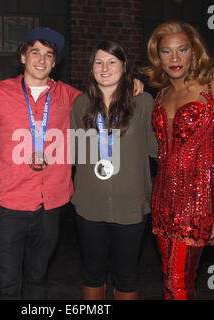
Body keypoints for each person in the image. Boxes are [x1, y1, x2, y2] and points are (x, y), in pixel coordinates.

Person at [142, 20, 214, 300]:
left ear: (195, 52)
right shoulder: (161, 95)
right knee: (172, 279)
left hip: (197, 204)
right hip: (162, 203)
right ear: (157, 56)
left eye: (182, 49)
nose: (174, 58)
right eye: (166, 51)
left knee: (177, 283)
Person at [0, 27, 81, 299]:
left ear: (55, 62)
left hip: (51, 203)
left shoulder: (71, 97)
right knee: (7, 285)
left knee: (38, 280)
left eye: (49, 55)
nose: (41, 60)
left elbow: (105, 105)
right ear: (22, 56)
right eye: (35, 52)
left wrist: (130, 87)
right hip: (9, 203)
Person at [70, 41, 157, 300]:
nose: (104, 68)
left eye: (112, 62)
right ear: (92, 68)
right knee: (92, 272)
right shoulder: (81, 104)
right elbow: (77, 153)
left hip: (130, 206)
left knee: (127, 274)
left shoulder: (143, 102)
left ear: (124, 66)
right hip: (89, 205)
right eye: (99, 62)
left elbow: (159, 148)